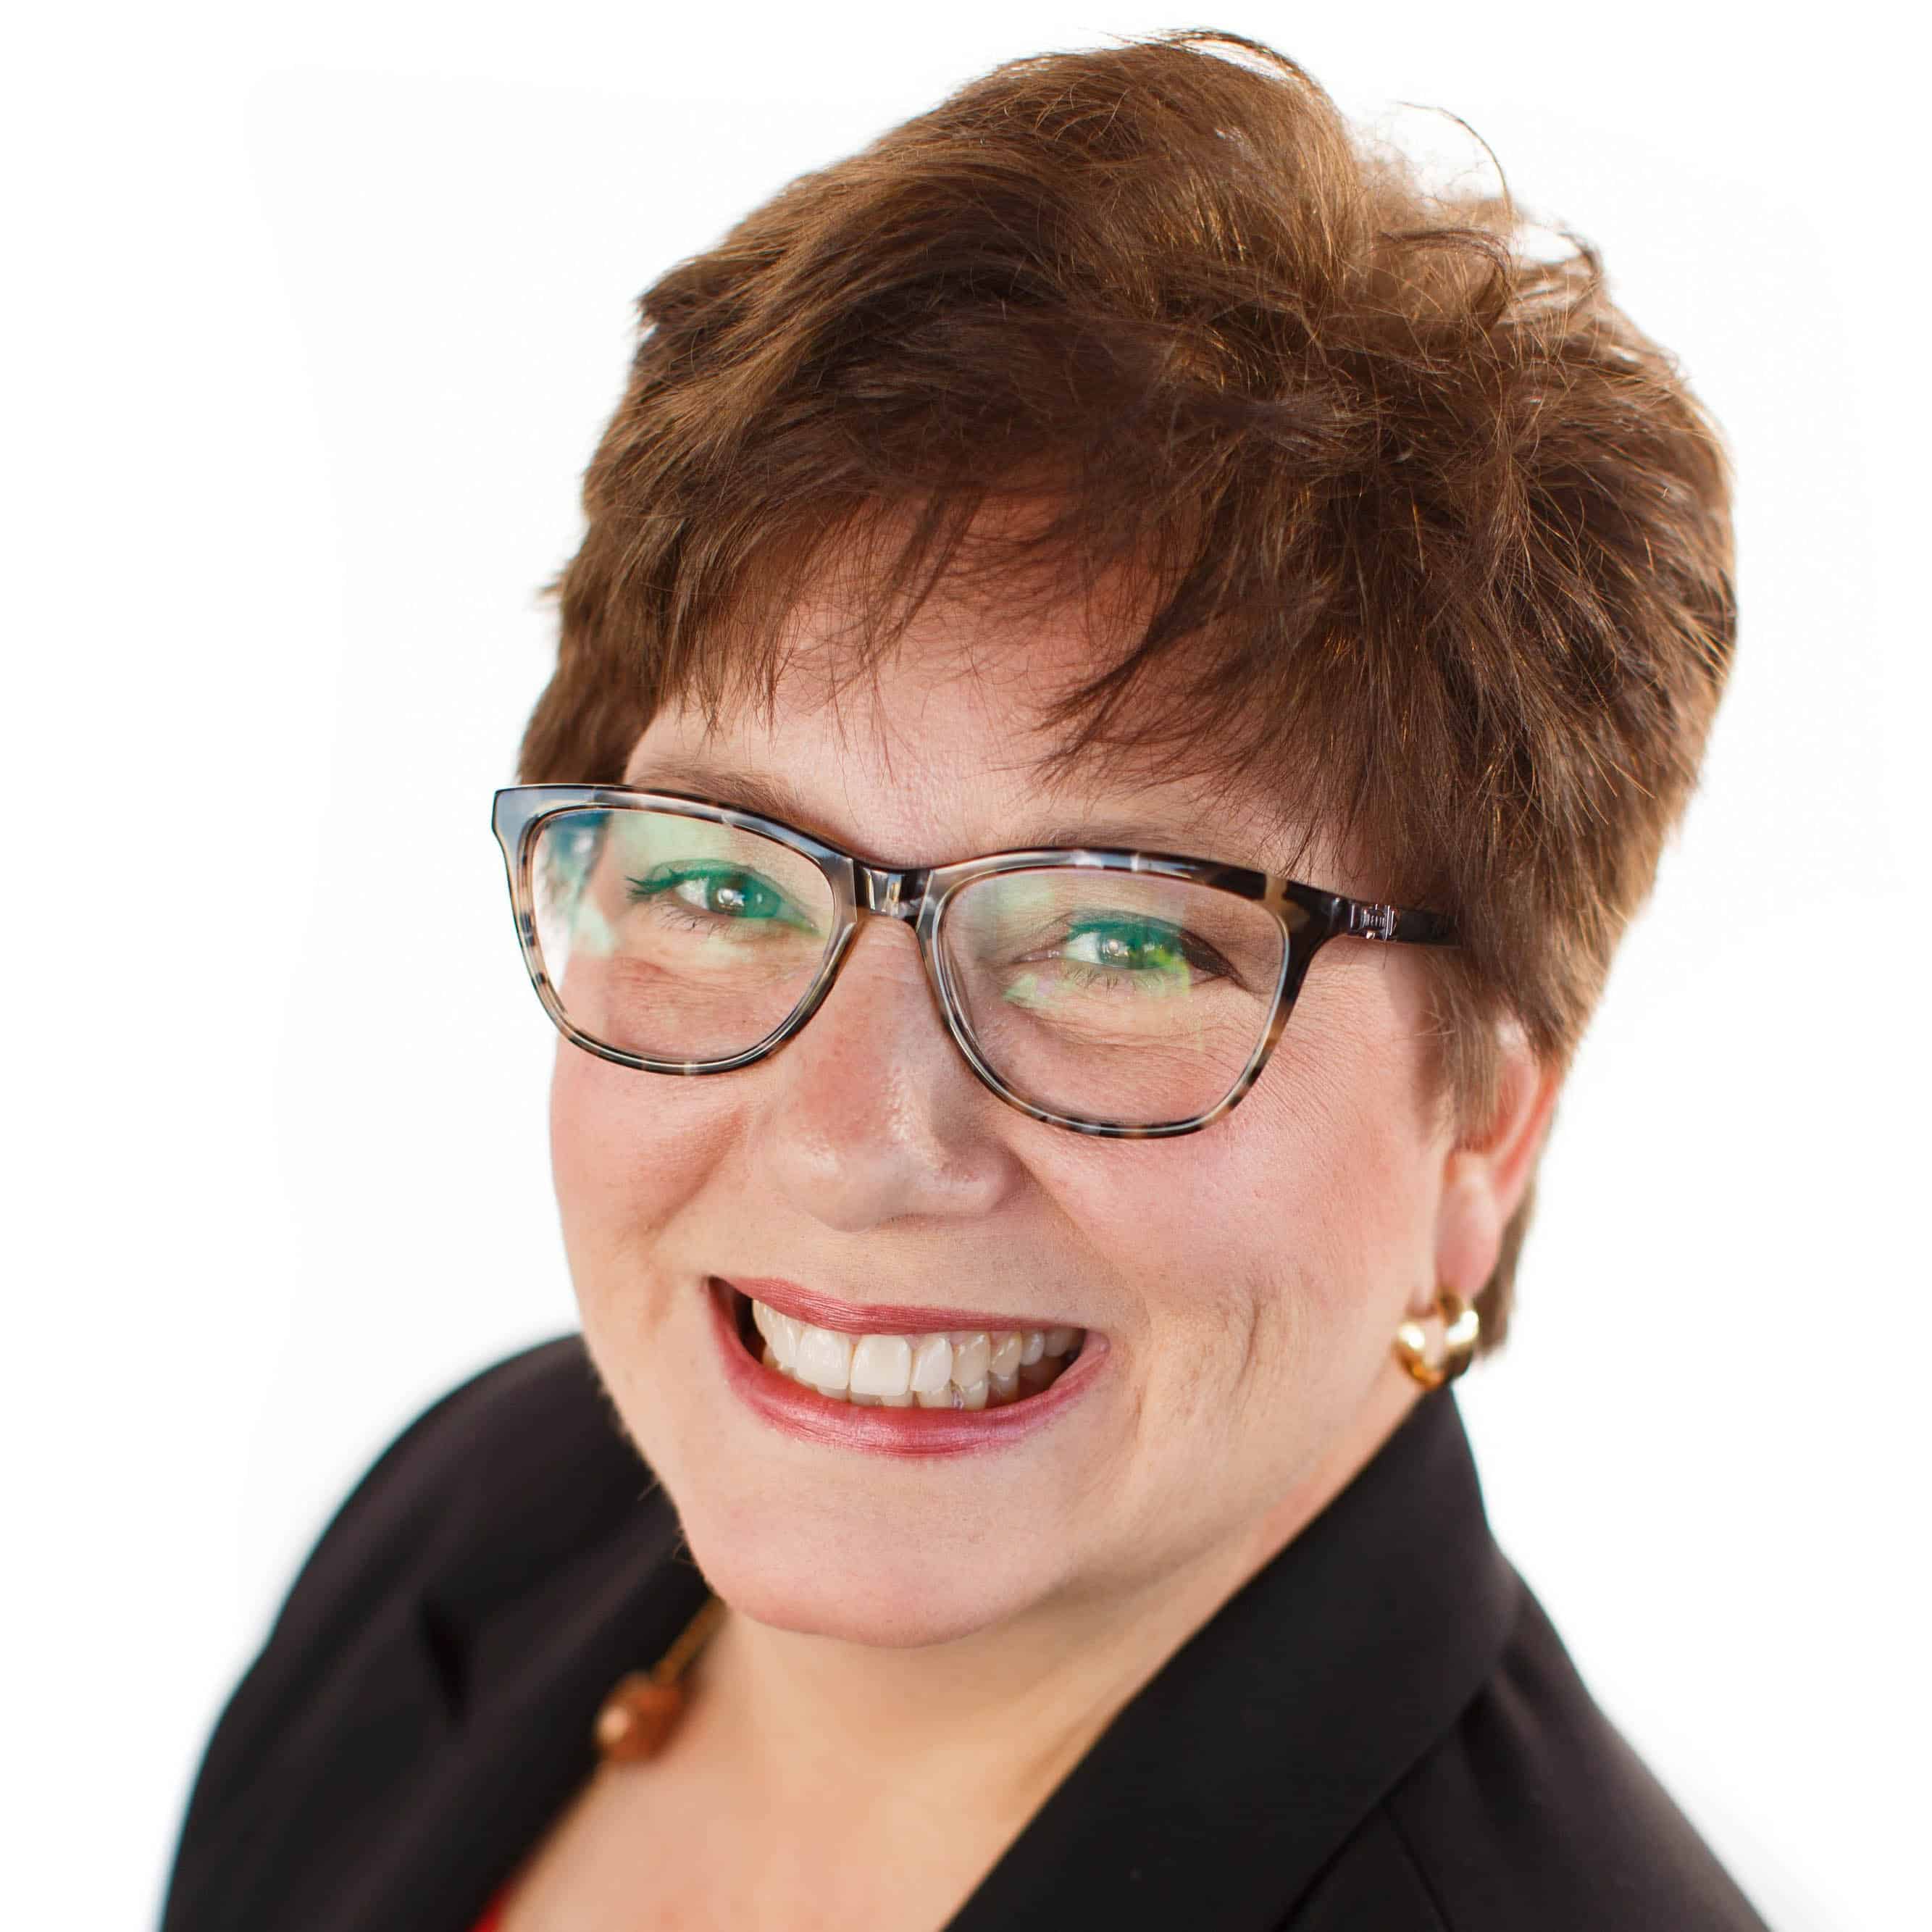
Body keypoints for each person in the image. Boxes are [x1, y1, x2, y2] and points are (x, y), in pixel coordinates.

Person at [162, 30, 1770, 1931]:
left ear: (1483, 1129)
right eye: (721, 879)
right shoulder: (489, 1510)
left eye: (1121, 934)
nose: (856, 1138)